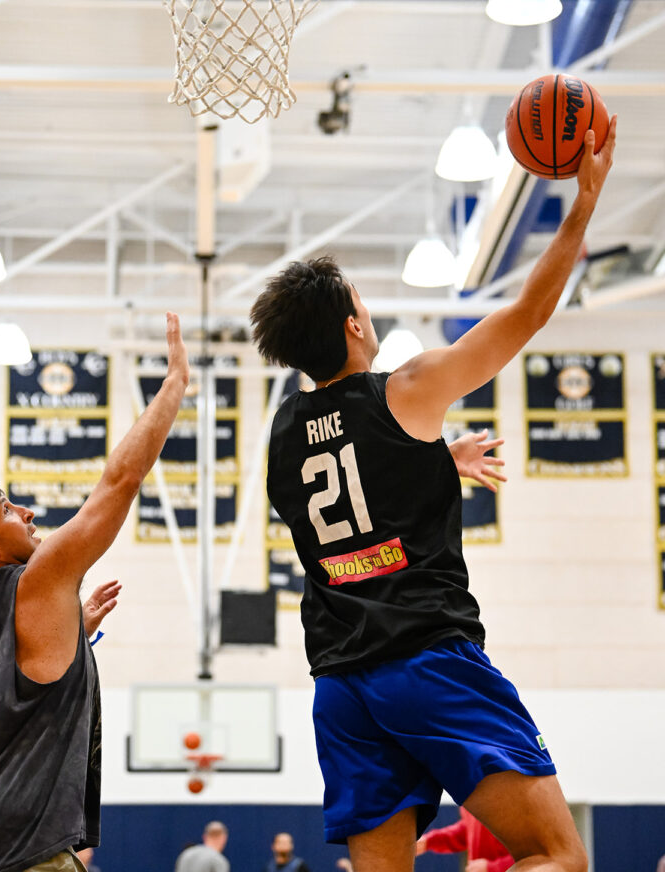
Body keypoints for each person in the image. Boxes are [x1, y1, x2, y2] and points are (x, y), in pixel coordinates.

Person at [250, 120, 616, 872]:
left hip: (341, 685)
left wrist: (437, 458)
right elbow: (527, 316)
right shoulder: (406, 390)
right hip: (426, 661)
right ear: (354, 325)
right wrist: (583, 203)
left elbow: (348, 498)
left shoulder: (283, 432)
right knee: (558, 857)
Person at [0, 312, 189, 872]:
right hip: (24, 856)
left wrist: (73, 632)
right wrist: (173, 387)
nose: (27, 511)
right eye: (7, 509)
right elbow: (119, 483)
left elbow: (10, 696)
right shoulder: (34, 583)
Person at [416, 807, 513, 872]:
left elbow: (528, 854)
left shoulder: (513, 789)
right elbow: (468, 829)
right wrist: (429, 841)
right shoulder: (471, 790)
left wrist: (493, 868)